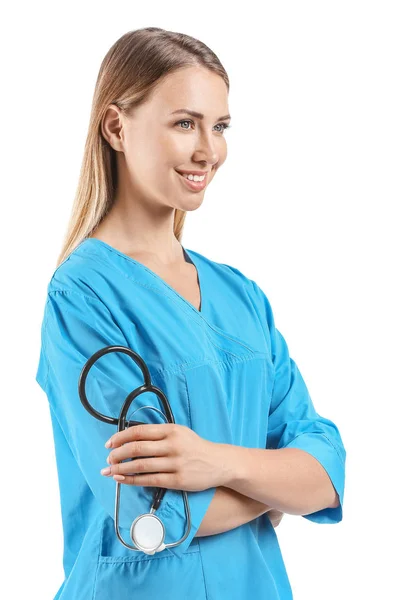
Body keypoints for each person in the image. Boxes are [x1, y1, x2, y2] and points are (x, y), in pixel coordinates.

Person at [35, 27, 346, 600]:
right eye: (185, 123)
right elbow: (153, 515)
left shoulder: (241, 296)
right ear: (115, 127)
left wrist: (215, 462)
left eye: (220, 126)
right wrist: (274, 485)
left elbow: (326, 474)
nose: (209, 150)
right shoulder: (83, 296)